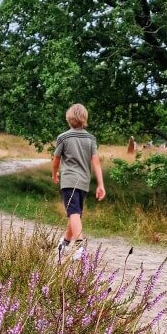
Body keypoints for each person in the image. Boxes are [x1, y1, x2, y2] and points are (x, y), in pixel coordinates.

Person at [52, 103, 106, 260]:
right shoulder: (90, 139)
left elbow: (56, 160)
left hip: (69, 180)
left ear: (69, 119)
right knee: (75, 213)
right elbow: (96, 162)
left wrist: (55, 174)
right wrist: (101, 184)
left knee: (73, 213)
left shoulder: (63, 137)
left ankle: (80, 246)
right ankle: (64, 243)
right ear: (84, 119)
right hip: (84, 182)